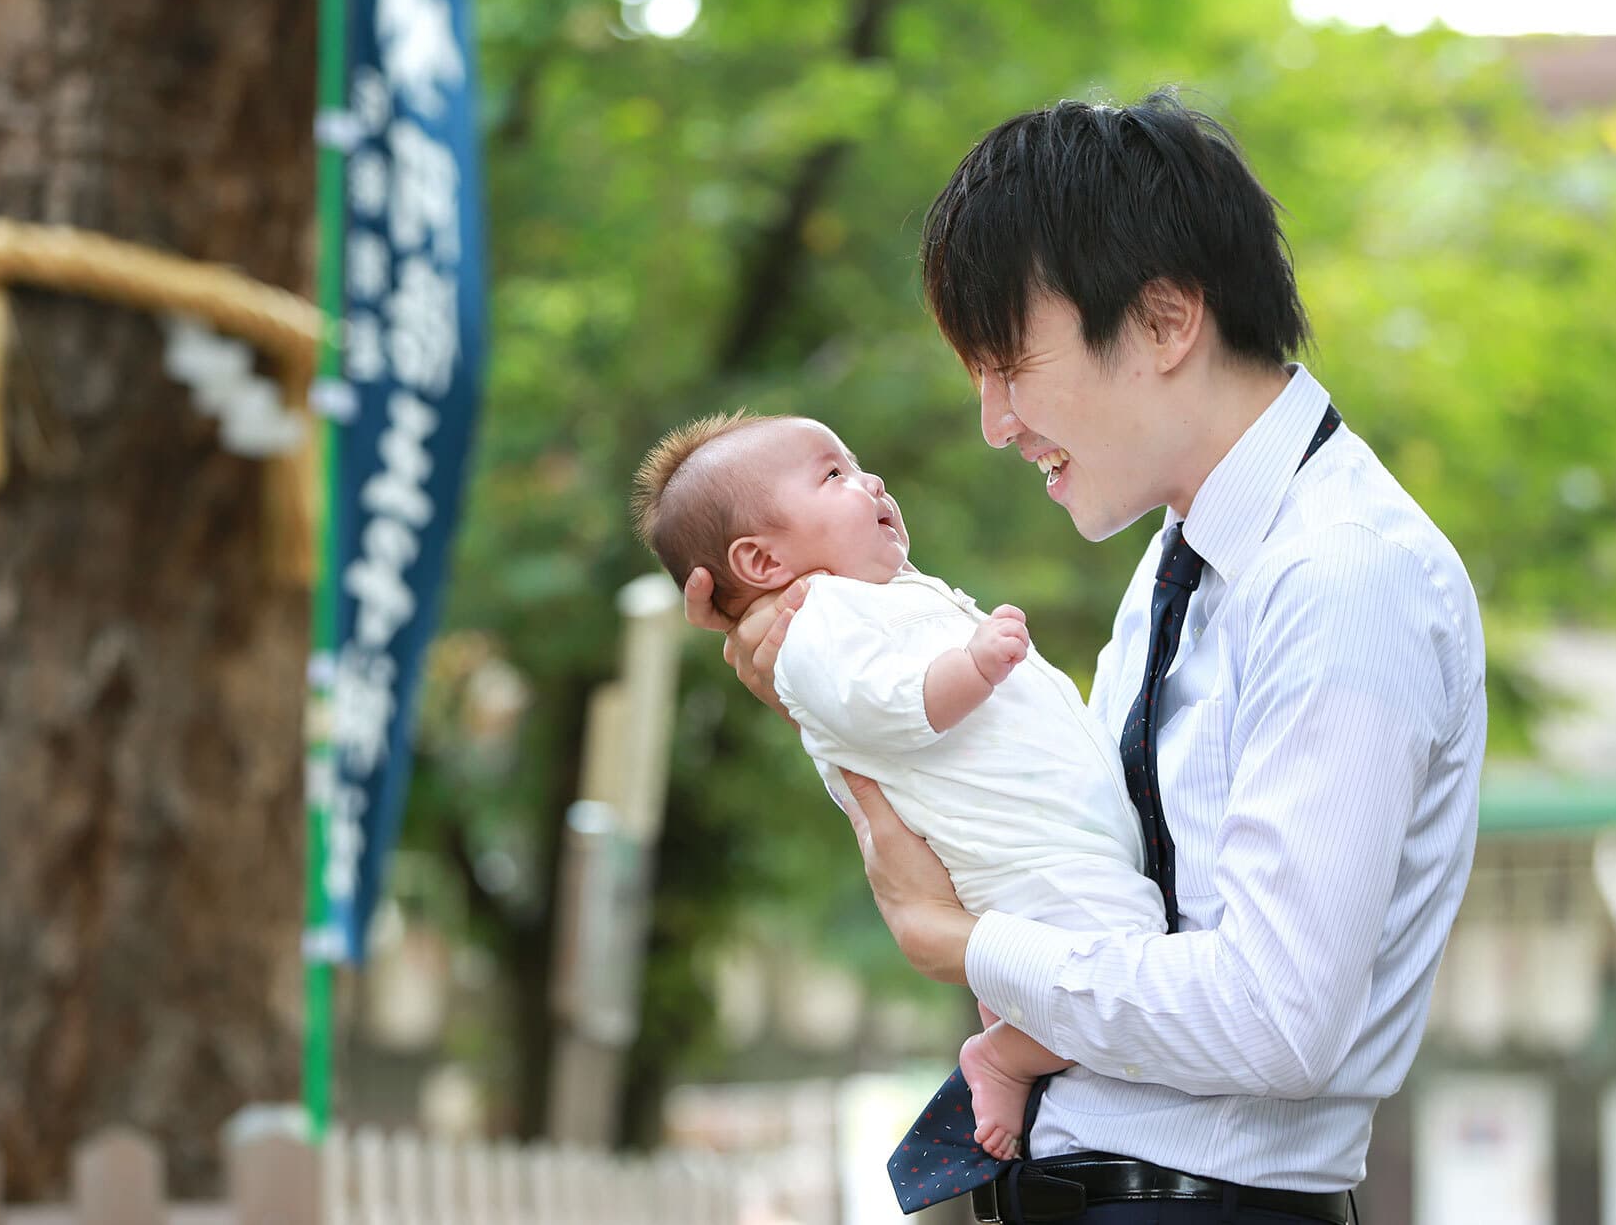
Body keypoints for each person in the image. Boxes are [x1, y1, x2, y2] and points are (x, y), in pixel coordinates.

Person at [683, 91, 1486, 1225]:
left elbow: (1275, 1019)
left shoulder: (1340, 572)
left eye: (1008, 363)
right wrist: (839, 667)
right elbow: (1078, 857)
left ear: (1164, 320)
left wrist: (958, 941)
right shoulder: (1189, 563)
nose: (993, 423)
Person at [631, 410, 1167, 1167]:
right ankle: (1007, 1054)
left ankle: (1018, 1038)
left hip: (1055, 832)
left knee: (1114, 944)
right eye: (833, 475)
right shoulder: (812, 621)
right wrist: (973, 667)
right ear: (759, 558)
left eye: (859, 463)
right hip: (1014, 853)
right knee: (1125, 955)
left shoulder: (874, 595)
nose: (871, 481)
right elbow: (886, 705)